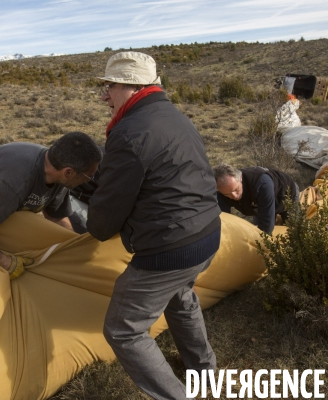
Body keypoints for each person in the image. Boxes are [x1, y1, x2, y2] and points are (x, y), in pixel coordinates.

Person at [87, 51, 221, 399]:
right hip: (207, 233)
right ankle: (204, 372)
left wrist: (89, 219)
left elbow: (104, 220)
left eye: (110, 86)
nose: (105, 95)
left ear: (131, 87)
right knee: (180, 296)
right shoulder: (173, 115)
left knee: (123, 330)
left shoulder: (130, 132)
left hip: (169, 248)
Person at [0, 131, 102, 279]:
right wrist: (5, 262)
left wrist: (76, 247)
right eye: (89, 176)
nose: (90, 180)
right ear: (68, 172)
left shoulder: (57, 174)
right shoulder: (13, 183)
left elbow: (56, 217)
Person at [213, 163, 299, 234]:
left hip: (286, 195)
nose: (234, 196)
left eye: (236, 189)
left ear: (240, 179)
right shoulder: (221, 192)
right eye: (227, 194)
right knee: (257, 230)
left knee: (293, 230)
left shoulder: (262, 184)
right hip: (258, 203)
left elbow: (266, 227)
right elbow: (224, 221)